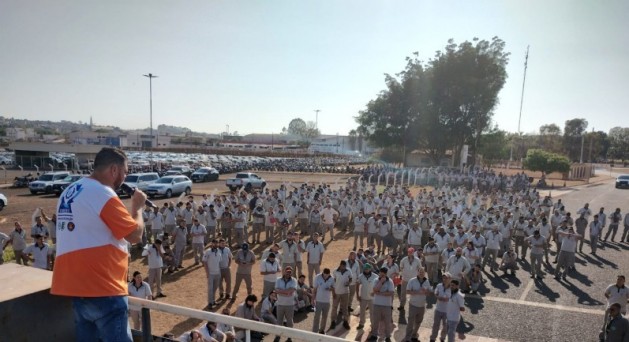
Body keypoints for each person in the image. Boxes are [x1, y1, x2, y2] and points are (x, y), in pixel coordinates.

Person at [51, 147, 146, 341]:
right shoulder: (102, 193)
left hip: (76, 288)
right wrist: (138, 208)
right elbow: (135, 235)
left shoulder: (70, 191)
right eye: (125, 171)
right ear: (114, 170)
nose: (125, 177)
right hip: (103, 287)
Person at [366, 266, 395, 342]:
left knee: (387, 322)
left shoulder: (390, 281)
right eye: (381, 273)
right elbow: (375, 290)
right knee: (375, 321)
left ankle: (387, 337)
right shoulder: (376, 280)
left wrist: (380, 293)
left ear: (386, 274)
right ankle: (374, 335)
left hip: (387, 305)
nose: (381, 275)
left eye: (383, 273)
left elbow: (391, 293)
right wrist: (381, 282)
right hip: (377, 304)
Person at [404, 268, 432, 342]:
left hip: (422, 305)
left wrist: (426, 291)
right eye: (420, 272)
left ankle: (414, 335)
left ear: (425, 273)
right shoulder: (412, 280)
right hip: (413, 304)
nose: (421, 273)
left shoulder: (427, 281)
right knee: (410, 321)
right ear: (417, 272)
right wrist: (417, 292)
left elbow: (429, 293)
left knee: (418, 322)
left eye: (423, 272)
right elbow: (407, 291)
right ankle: (407, 337)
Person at [275, 266, 298, 340]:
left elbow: (291, 291)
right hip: (280, 304)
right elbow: (277, 290)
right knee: (279, 321)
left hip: (290, 305)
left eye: (290, 272)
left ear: (291, 272)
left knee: (289, 322)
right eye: (287, 271)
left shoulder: (294, 280)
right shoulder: (278, 280)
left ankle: (289, 337)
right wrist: (286, 292)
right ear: (284, 271)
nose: (288, 273)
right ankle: (278, 336)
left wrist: (281, 292)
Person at [330, 260, 352, 331]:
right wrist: (333, 292)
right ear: (340, 265)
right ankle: (333, 321)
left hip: (345, 292)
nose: (344, 268)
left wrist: (349, 282)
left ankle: (345, 321)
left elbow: (351, 278)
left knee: (345, 308)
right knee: (334, 307)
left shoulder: (348, 271)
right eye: (343, 266)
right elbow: (333, 281)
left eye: (345, 266)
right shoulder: (335, 271)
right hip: (337, 292)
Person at [312, 268, 335, 334]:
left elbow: (333, 287)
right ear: (323, 273)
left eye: (327, 275)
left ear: (329, 274)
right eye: (325, 275)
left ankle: (321, 330)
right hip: (318, 300)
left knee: (324, 317)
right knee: (317, 316)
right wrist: (312, 300)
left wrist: (330, 289)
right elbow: (314, 289)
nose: (326, 276)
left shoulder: (332, 278)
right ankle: (314, 331)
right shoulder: (317, 277)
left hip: (327, 301)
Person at [430, 273, 451, 342]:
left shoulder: (452, 288)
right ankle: (433, 338)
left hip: (447, 311)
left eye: (446, 278)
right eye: (443, 278)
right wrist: (437, 296)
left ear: (450, 279)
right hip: (438, 309)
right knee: (435, 325)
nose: (444, 279)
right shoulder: (439, 285)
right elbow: (435, 292)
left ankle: (442, 338)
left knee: (445, 326)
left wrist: (448, 299)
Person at [202, 239, 222, 308]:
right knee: (210, 288)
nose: (216, 244)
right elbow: (204, 262)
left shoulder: (219, 251)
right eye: (214, 243)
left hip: (217, 273)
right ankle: (210, 303)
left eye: (217, 243)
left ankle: (213, 301)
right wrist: (207, 272)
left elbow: (219, 262)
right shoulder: (207, 252)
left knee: (215, 288)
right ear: (212, 244)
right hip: (211, 273)